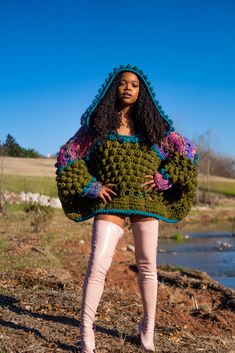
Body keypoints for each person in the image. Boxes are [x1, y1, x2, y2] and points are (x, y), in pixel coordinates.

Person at [55, 64, 198, 352]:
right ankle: (86, 331)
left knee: (147, 267)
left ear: (141, 91)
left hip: (145, 202)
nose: (128, 88)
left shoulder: (153, 128)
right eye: (123, 83)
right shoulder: (97, 128)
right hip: (111, 202)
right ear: (114, 88)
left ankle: (147, 328)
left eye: (134, 84)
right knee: (97, 265)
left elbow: (188, 152)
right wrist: (92, 187)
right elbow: (66, 156)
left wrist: (164, 179)